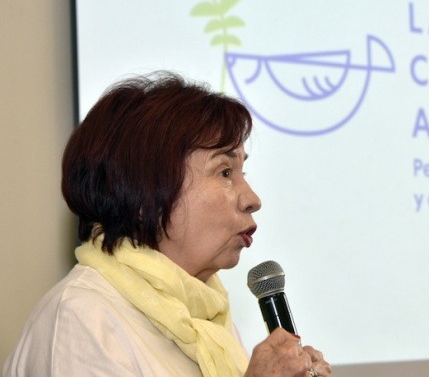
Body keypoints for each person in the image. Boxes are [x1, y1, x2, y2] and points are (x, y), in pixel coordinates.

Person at [3, 72, 332, 377]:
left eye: (242, 171)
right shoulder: (83, 317)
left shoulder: (205, 318)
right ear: (147, 196)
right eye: (225, 172)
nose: (252, 198)